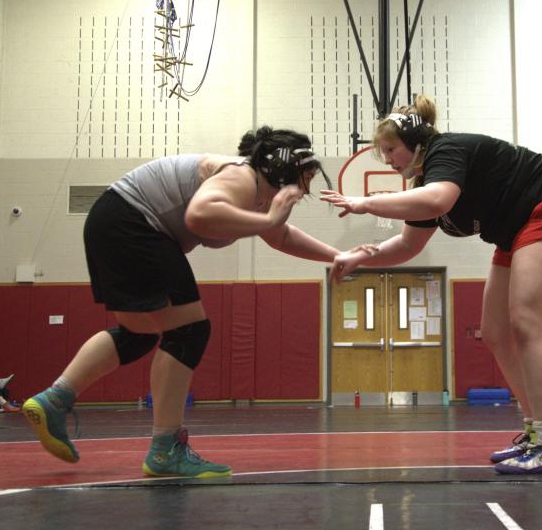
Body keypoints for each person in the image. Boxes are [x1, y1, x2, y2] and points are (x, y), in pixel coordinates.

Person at [23, 127, 341, 478]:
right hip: (132, 221)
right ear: (282, 167)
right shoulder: (241, 177)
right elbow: (199, 215)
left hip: (113, 220)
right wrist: (268, 218)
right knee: (189, 331)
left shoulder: (258, 195)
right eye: (304, 178)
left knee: (138, 332)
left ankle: (54, 401)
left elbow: (279, 236)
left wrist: (338, 255)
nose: (305, 189)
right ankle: (164, 449)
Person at [321, 95, 542, 475]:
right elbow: (405, 246)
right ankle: (535, 432)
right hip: (515, 228)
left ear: (416, 142)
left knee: (527, 322)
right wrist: (359, 256)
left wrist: (367, 203)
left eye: (390, 149)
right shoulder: (424, 181)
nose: (387, 160)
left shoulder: (444, 150)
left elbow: (439, 199)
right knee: (496, 333)